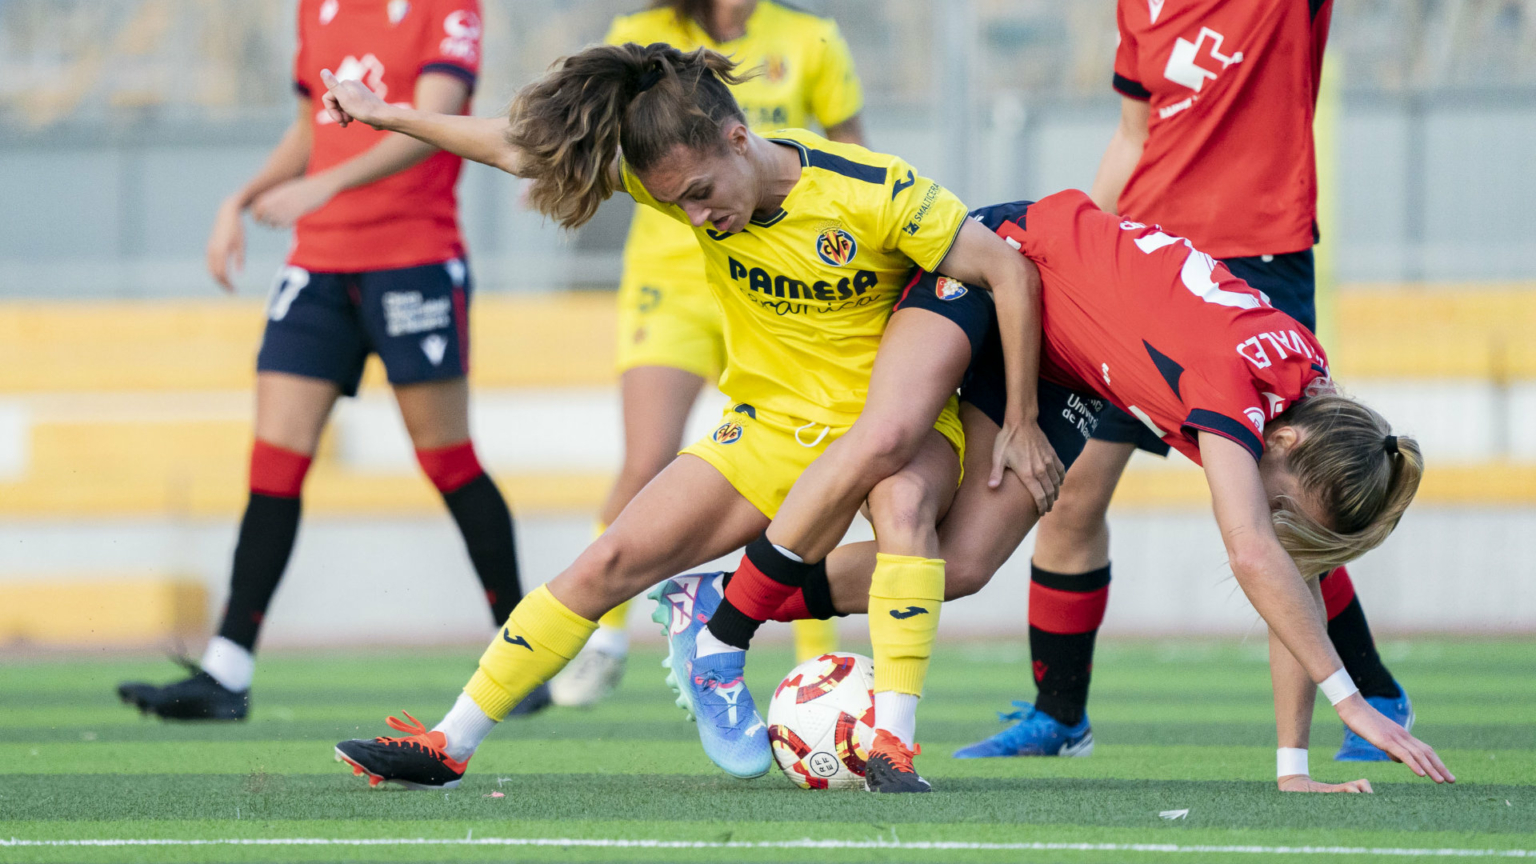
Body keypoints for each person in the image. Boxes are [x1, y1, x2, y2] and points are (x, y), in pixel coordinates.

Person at [318, 42, 1058, 792]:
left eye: (702, 193)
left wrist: (1023, 421)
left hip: (892, 424)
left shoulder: (874, 191)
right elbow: (519, 149)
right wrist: (389, 114)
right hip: (770, 426)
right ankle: (449, 744)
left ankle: (892, 747)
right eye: (679, 205)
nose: (698, 216)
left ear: (739, 138)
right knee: (607, 563)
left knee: (905, 510)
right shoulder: (676, 180)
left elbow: (1008, 271)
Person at [699, 192, 1454, 792]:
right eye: (1284, 501)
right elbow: (1254, 552)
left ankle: (713, 600)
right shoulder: (1233, 380)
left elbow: (1290, 569)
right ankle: (731, 616)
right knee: (892, 458)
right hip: (1004, 263)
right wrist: (1350, 699)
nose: (1274, 515)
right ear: (1286, 444)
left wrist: (1295, 768)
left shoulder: (1311, 396)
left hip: (1067, 360)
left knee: (960, 566)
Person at [954, 0, 1414, 763]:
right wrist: (1081, 257)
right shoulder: (1139, 7)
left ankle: (1371, 692)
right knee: (1070, 490)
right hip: (1147, 269)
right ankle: (1059, 713)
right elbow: (1133, 136)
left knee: (1287, 505)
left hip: (1254, 269)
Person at [116, 0, 546, 720]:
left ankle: (524, 653)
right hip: (317, 264)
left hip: (414, 259)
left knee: (448, 461)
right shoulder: (317, 9)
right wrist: (240, 198)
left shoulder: (448, 9)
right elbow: (307, 130)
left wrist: (329, 182)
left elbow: (436, 120)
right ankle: (227, 670)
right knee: (274, 462)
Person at [551, 0, 870, 710]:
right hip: (671, 283)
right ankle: (604, 639)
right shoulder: (639, 37)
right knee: (645, 461)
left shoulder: (812, 39)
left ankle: (814, 661)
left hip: (776, 282)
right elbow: (588, 145)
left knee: (815, 469)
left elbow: (851, 152)